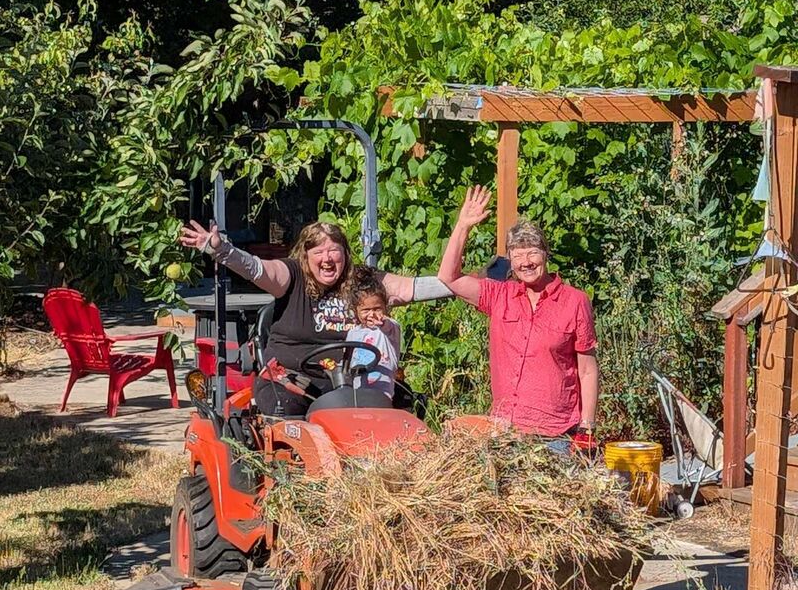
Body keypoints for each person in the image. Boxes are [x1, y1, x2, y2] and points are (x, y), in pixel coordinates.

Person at [179, 218, 441, 417]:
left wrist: (465, 286)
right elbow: (257, 269)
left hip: (355, 381)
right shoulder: (291, 276)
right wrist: (222, 250)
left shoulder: (363, 281)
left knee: (406, 405)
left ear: (345, 254)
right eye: (318, 252)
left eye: (334, 251)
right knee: (286, 411)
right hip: (293, 381)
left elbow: (414, 288)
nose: (326, 259)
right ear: (305, 257)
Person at [437, 186, 599, 449]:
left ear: (546, 254)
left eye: (532, 252)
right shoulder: (499, 295)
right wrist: (463, 225)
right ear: (510, 260)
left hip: (555, 434)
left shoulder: (574, 301)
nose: (526, 262)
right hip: (505, 432)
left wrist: (587, 427)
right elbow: (448, 277)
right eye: (517, 254)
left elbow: (588, 370)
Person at [345, 266, 401, 401]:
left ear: (385, 307)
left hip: (382, 395)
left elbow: (388, 327)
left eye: (377, 309)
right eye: (366, 310)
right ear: (356, 310)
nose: (372, 314)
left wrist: (382, 322)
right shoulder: (353, 333)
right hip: (357, 395)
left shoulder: (389, 330)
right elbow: (348, 361)